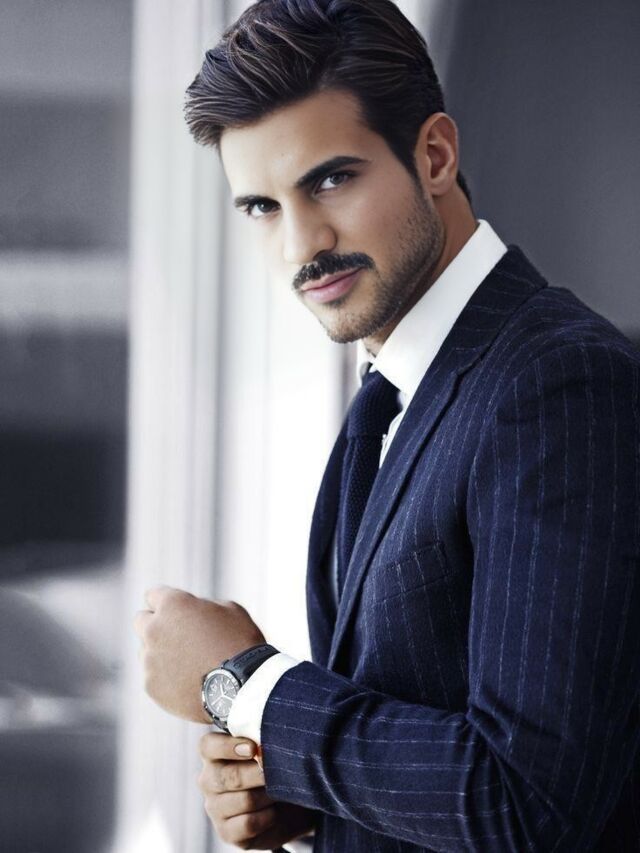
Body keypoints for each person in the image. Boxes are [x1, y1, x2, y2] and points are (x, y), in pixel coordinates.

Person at [134, 1, 640, 850]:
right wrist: (303, 795)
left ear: (434, 155)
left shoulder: (555, 382)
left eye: (330, 180)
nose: (301, 244)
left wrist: (243, 685)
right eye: (260, 206)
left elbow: (529, 801)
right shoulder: (398, 388)